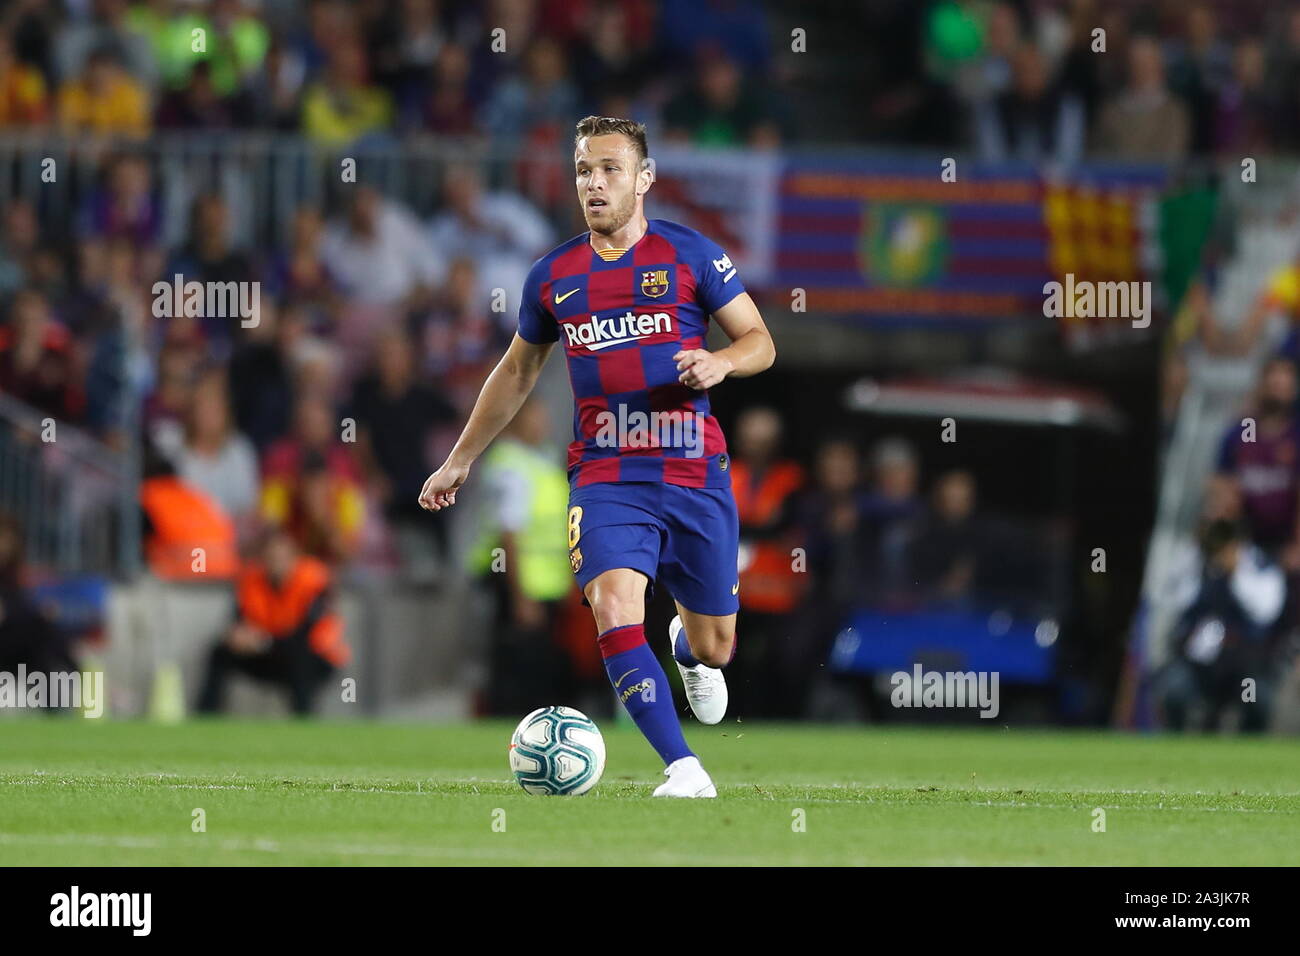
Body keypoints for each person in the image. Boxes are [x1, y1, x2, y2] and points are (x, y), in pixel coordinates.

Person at [419, 116, 776, 798]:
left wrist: (721, 363)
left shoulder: (692, 255)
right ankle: (684, 768)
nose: (595, 182)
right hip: (607, 473)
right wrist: (461, 458)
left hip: (692, 468)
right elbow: (517, 371)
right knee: (613, 605)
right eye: (584, 169)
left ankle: (685, 646)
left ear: (644, 180)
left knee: (715, 648)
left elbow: (761, 340)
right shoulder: (553, 276)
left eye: (611, 168)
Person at [468, 397, 574, 715]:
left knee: (541, 667)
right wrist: (520, 597)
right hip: (519, 583)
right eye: (534, 417)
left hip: (546, 584)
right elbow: (509, 533)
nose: (542, 424)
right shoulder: (511, 466)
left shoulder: (540, 460)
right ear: (515, 421)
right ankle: (508, 729)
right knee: (518, 669)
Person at [198, 526, 349, 716]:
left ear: (295, 557)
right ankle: (205, 716)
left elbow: (306, 634)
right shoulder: (252, 580)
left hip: (317, 656)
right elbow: (239, 619)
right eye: (271, 557)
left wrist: (265, 641)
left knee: (298, 656)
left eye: (282, 556)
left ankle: (304, 720)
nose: (276, 562)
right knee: (220, 652)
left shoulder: (314, 580)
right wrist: (239, 636)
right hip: (269, 651)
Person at [1157, 519, 1285, 732]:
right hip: (1200, 666)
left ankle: (1248, 754)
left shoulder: (1260, 567)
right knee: (1174, 690)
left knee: (1256, 698)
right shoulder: (1198, 567)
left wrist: (1236, 573)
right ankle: (1176, 750)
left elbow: (1265, 612)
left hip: (1243, 667)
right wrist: (1195, 558)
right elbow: (1171, 599)